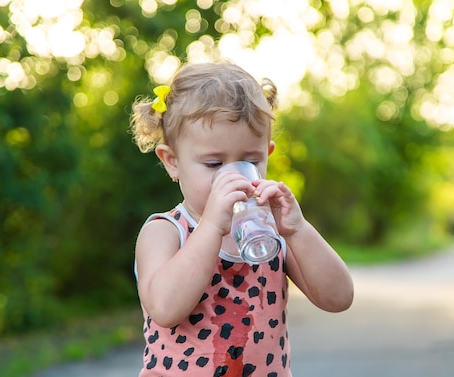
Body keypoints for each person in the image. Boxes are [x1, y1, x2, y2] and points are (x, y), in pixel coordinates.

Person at [129, 61, 354, 377]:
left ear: (267, 154)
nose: (233, 176)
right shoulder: (165, 232)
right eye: (213, 164)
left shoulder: (270, 231)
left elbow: (338, 298)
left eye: (250, 161)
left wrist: (298, 230)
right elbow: (165, 308)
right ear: (172, 162)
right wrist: (210, 226)